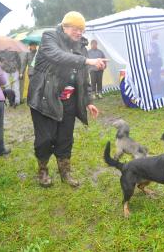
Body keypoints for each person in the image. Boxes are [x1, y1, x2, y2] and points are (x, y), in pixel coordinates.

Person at [27, 11, 106, 188]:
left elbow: (83, 79)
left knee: (65, 138)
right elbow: (59, 56)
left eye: (82, 30)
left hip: (68, 100)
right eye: (76, 29)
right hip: (44, 98)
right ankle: (43, 170)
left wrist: (89, 101)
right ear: (65, 26)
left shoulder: (81, 47)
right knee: (45, 139)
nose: (79, 33)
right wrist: (88, 61)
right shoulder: (50, 38)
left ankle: (65, 173)